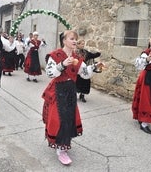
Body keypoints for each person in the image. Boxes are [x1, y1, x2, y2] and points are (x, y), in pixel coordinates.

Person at [42, 30, 104, 165]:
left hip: (70, 91)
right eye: (72, 39)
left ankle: (63, 144)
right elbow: (50, 73)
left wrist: (94, 66)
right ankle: (61, 150)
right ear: (64, 41)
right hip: (58, 91)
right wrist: (63, 64)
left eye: (76, 39)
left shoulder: (77, 58)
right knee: (60, 120)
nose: (75, 41)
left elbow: (85, 74)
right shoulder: (55, 55)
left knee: (68, 119)